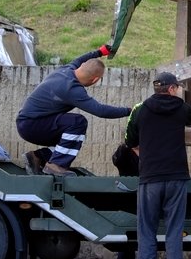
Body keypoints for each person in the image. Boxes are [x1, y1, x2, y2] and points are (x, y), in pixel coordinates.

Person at [125, 71, 191, 259]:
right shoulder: (181, 108)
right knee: (174, 229)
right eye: (178, 88)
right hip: (176, 177)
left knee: (146, 229)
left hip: (150, 178)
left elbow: (130, 140)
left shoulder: (141, 109)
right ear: (172, 88)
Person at [16, 45, 130, 176]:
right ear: (95, 80)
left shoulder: (67, 69)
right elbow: (100, 110)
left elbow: (82, 58)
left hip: (28, 123)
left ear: (80, 66)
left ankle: (38, 157)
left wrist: (100, 52)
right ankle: (56, 165)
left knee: (72, 138)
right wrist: (130, 111)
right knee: (77, 122)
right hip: (32, 126)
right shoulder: (72, 89)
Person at [111, 142, 140, 259]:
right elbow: (117, 160)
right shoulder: (125, 152)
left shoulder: (149, 151)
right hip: (127, 200)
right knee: (127, 239)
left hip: (145, 198)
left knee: (145, 238)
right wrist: (127, 145)